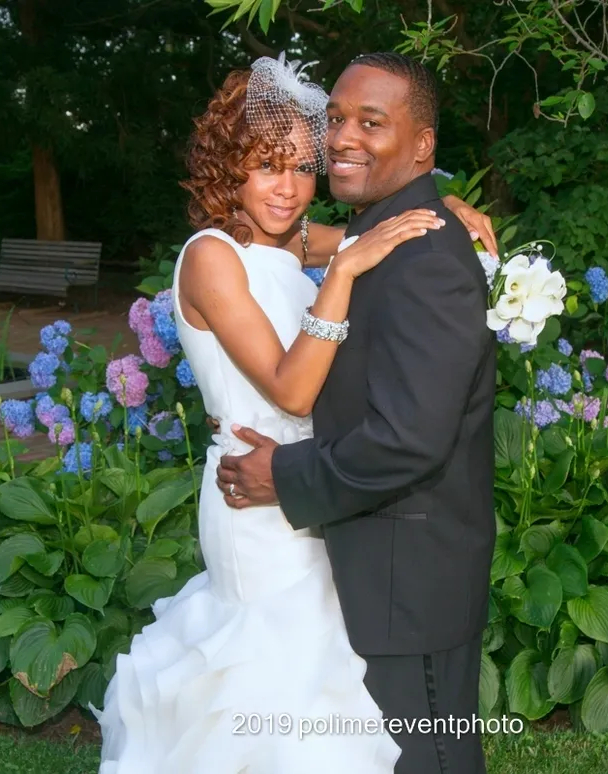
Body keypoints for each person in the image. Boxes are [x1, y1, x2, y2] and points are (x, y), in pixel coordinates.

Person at [93, 53, 495, 774]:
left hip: (318, 494)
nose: (286, 186)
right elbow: (291, 390)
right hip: (258, 493)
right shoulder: (213, 258)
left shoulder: (284, 240)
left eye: (301, 166)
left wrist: (434, 206)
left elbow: (355, 234)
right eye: (264, 165)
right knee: (272, 678)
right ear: (229, 168)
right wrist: (341, 275)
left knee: (327, 688)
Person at [216, 52, 497, 774]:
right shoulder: (387, 233)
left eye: (371, 122)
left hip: (412, 576)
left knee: (426, 757)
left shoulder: (423, 258)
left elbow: (408, 440)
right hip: (379, 559)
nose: (341, 136)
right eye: (335, 118)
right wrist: (430, 201)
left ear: (421, 144)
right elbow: (282, 239)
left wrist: (284, 473)